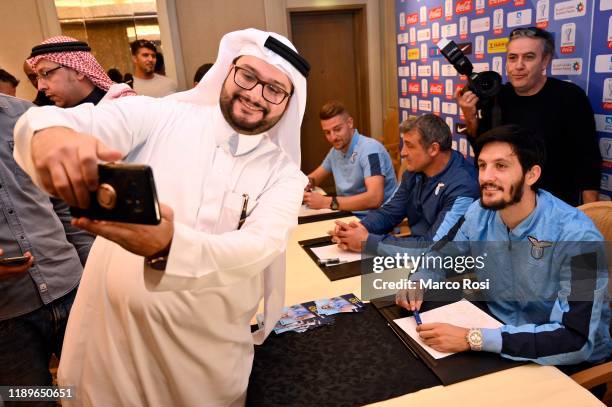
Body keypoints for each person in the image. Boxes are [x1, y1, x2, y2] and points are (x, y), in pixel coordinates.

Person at [13, 28, 309, 405]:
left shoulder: (283, 175)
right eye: (248, 76)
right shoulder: (161, 116)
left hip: (207, 360)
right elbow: (71, 123)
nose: (254, 94)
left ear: (287, 103)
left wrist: (169, 245)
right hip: (116, 347)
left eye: (274, 89)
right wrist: (49, 134)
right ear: (228, 71)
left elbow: (258, 246)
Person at [395, 125, 611, 371]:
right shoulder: (478, 213)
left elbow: (575, 340)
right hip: (499, 335)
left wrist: (472, 338)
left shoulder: (580, 238)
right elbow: (440, 254)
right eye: (482, 166)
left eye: (501, 166)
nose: (486, 177)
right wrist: (419, 280)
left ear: (531, 175)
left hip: (563, 360)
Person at [0, 94, 94, 406]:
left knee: (96, 392)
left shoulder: (27, 117)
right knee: (29, 399)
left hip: (71, 287)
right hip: (8, 318)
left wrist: (93, 271)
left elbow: (62, 203)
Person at [456, 26, 601, 206]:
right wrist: (470, 117)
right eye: (512, 57)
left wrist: (589, 213)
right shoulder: (497, 97)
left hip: (555, 208)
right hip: (505, 205)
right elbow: (483, 152)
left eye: (529, 57)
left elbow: (588, 160)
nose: (519, 66)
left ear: (545, 61)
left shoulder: (570, 97)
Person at [332, 114, 479, 254]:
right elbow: (389, 213)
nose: (402, 152)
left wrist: (368, 241)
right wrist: (355, 230)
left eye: (409, 145)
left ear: (433, 149)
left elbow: (434, 247)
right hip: (415, 253)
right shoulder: (414, 172)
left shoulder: (463, 187)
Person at [303, 100, 397, 215]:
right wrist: (304, 184)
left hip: (374, 220)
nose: (333, 137)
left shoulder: (370, 149)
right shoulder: (335, 152)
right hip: (348, 215)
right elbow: (314, 178)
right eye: (327, 132)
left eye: (337, 129)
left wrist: (326, 202)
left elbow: (374, 198)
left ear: (350, 123)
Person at [26, 36, 135, 107]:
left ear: (78, 71)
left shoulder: (124, 108)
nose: (40, 87)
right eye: (38, 77)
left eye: (46, 73)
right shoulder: (50, 118)